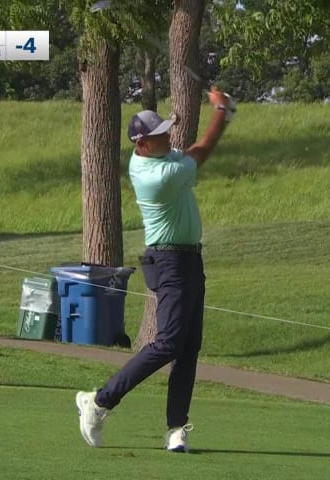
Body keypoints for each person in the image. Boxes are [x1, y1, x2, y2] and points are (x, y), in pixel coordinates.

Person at [76, 87, 234, 452]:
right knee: (168, 343)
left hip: (189, 260)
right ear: (142, 144)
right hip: (170, 262)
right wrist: (221, 113)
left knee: (189, 347)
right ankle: (99, 401)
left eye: (167, 131)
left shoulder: (156, 157)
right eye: (160, 134)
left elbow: (186, 150)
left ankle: (176, 428)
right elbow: (202, 151)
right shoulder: (156, 176)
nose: (168, 137)